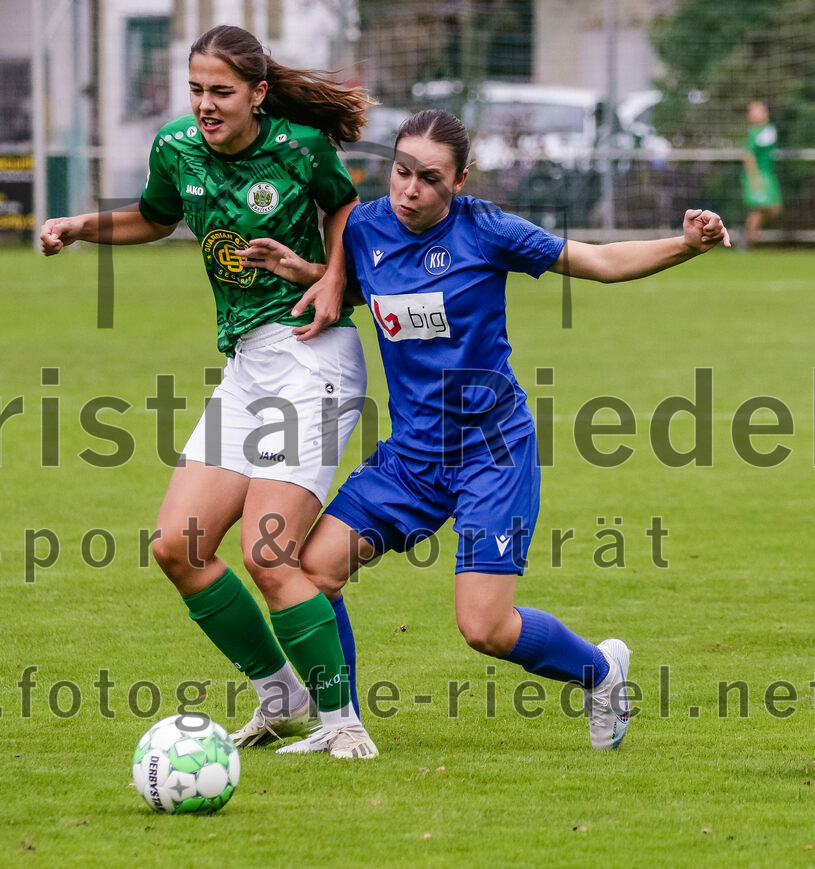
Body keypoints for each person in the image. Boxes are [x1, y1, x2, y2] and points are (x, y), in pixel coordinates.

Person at [238, 109, 730, 755]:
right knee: (311, 572)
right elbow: (364, 288)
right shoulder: (364, 227)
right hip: (411, 458)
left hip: (491, 452)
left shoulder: (487, 230)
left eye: (429, 178)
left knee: (485, 627)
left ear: (460, 182)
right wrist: (307, 270)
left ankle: (602, 671)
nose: (409, 189)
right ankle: (342, 725)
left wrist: (685, 244)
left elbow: (601, 261)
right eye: (402, 171)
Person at [40, 26, 378, 758]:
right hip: (247, 367)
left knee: (268, 554)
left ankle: (343, 722)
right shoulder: (175, 149)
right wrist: (79, 226)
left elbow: (348, 211)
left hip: (310, 356)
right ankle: (279, 693)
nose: (205, 105)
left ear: (258, 93)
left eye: (220, 91)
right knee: (178, 545)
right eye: (195, 90)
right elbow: (154, 217)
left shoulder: (298, 147)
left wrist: (330, 278)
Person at [742, 101, 782, 248]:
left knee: (774, 207)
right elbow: (748, 157)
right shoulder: (754, 132)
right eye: (752, 111)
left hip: (768, 174)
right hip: (758, 175)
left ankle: (748, 235)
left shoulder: (768, 129)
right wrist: (754, 177)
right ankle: (748, 242)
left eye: (758, 110)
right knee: (758, 209)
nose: (754, 113)